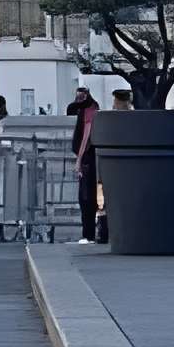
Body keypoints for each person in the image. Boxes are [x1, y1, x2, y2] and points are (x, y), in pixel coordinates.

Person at [67, 86, 100, 244]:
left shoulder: (89, 109)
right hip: (88, 157)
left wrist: (79, 160)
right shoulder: (87, 108)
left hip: (87, 157)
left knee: (86, 197)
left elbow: (86, 137)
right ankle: (89, 233)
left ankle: (88, 234)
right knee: (87, 197)